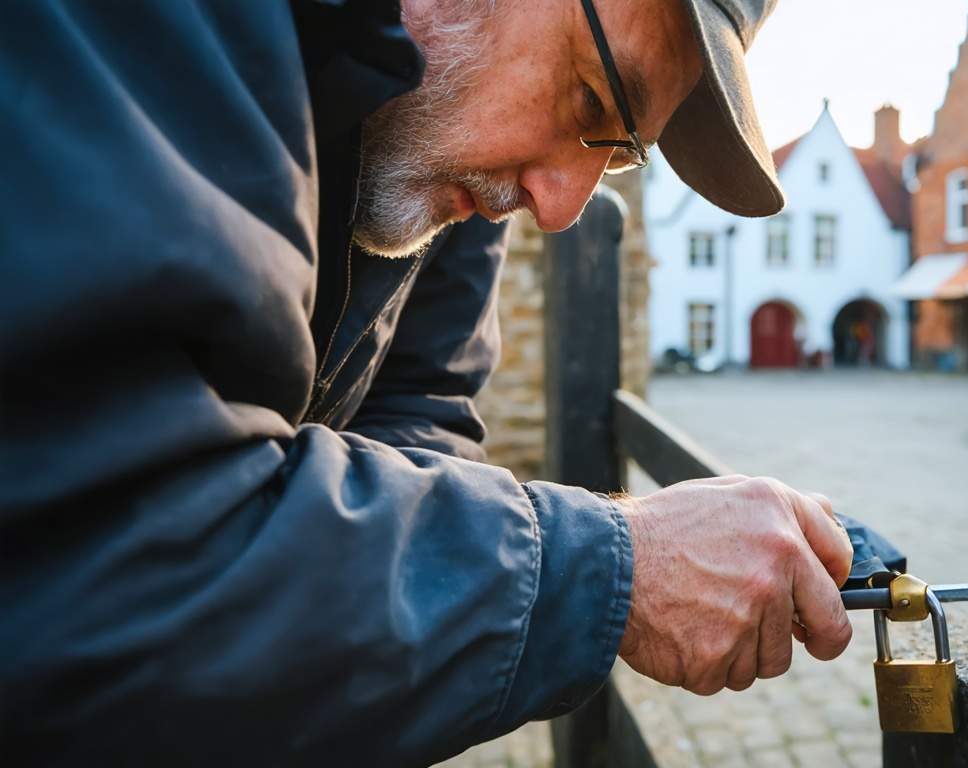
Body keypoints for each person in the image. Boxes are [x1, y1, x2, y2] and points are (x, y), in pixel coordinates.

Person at [0, 1, 862, 765]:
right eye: (592, 99)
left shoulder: (440, 140)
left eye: (618, 153)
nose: (562, 205)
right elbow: (94, 552)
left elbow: (419, 421)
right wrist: (615, 568)